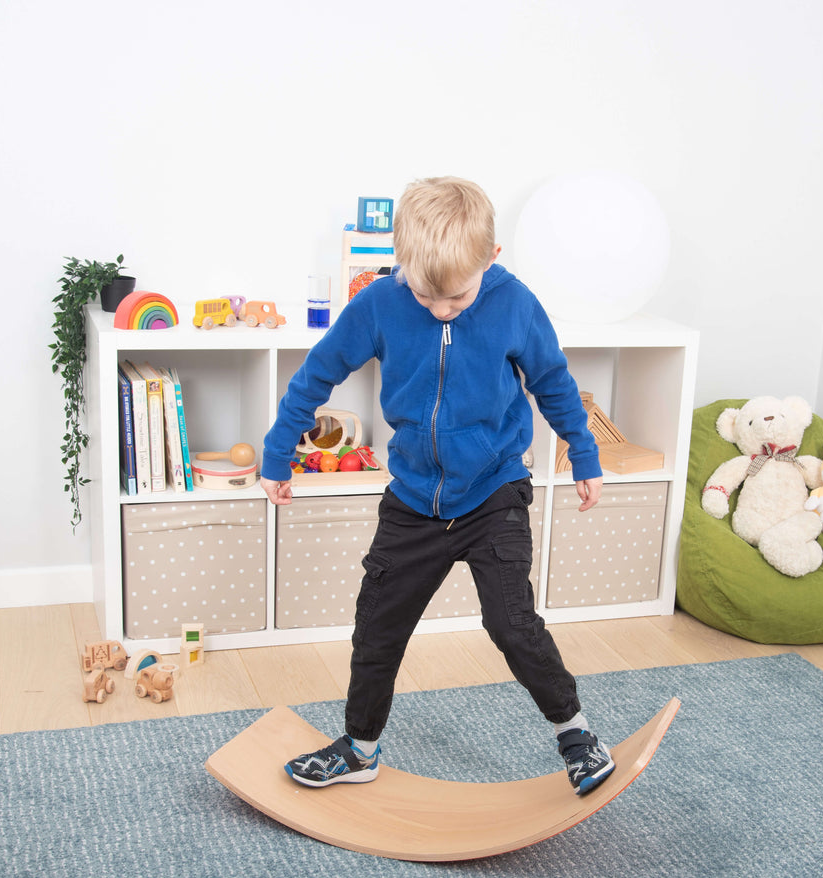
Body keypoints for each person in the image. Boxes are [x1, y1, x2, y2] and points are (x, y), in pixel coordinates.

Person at [259, 176, 615, 796]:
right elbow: (319, 373)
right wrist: (277, 450)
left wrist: (583, 452)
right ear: (401, 263)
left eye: (457, 296)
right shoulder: (378, 303)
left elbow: (553, 382)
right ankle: (360, 748)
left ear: (491, 261)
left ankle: (577, 736)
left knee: (510, 622)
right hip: (414, 498)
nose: (442, 309)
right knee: (377, 627)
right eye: (426, 295)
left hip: (494, 490)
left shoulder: (513, 303)